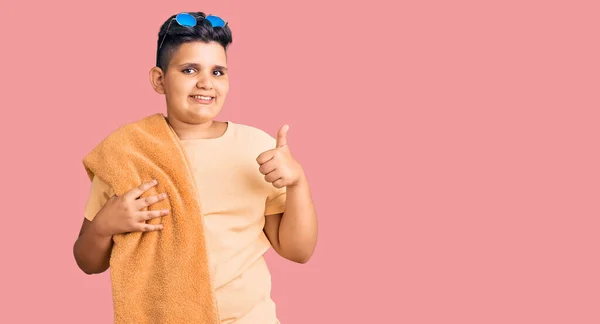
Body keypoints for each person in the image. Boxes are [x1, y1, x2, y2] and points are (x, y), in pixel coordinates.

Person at [73, 11, 318, 323]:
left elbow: (298, 251)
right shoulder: (127, 153)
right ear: (159, 80)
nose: (206, 83)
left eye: (218, 72)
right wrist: (105, 225)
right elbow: (88, 261)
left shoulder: (257, 148)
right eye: (190, 70)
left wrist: (297, 182)